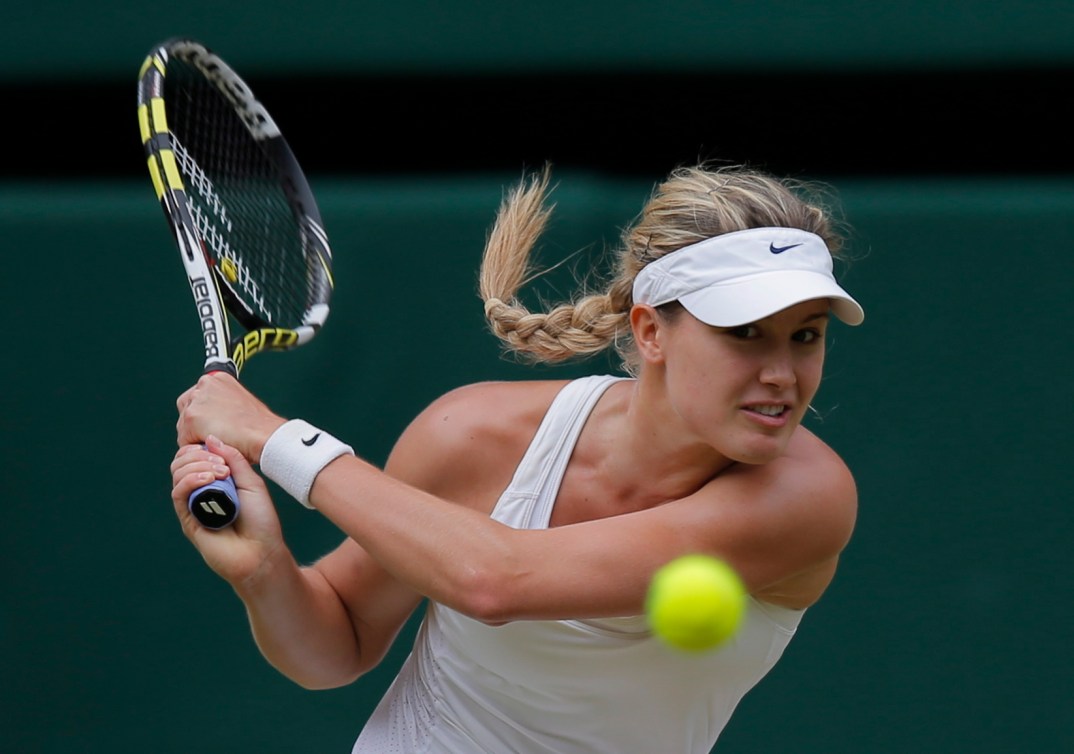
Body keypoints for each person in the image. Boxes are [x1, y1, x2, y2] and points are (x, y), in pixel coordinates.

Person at [171, 162, 865, 753]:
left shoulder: (806, 498)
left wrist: (278, 439)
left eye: (805, 337)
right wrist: (264, 569)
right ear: (652, 331)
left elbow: (493, 582)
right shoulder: (472, 435)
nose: (782, 373)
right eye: (745, 333)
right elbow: (335, 643)